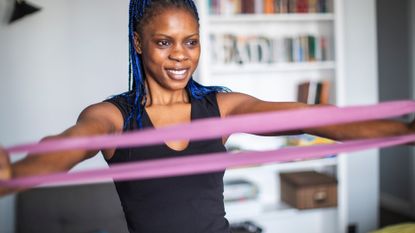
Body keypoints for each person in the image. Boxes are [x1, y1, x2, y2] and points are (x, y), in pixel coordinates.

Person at [0, 0, 414, 232]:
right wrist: (17, 174)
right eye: (164, 42)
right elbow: (70, 145)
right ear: (138, 43)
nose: (181, 55)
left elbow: (309, 117)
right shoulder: (113, 117)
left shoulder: (220, 108)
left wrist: (402, 130)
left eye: (190, 41)